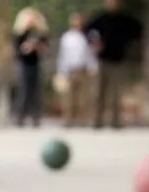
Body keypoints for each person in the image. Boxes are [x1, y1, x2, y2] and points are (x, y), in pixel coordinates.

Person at [84, 0, 142, 129]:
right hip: (103, 60)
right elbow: (87, 30)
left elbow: (137, 30)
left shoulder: (125, 19)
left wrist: (127, 46)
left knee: (116, 93)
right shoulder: (101, 18)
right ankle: (97, 121)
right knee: (99, 92)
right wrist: (94, 43)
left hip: (118, 61)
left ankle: (116, 121)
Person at [57, 13, 95, 127]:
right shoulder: (67, 37)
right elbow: (63, 54)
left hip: (83, 69)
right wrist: (62, 70)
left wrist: (92, 66)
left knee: (84, 96)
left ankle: (84, 119)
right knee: (69, 97)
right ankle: (68, 120)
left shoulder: (86, 36)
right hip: (70, 69)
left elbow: (90, 53)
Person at [12, 7, 49, 127]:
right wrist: (26, 48)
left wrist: (38, 47)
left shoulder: (39, 34)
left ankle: (36, 117)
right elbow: (17, 50)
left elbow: (45, 48)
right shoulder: (20, 34)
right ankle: (20, 116)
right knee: (24, 91)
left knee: (36, 91)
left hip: (35, 63)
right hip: (24, 63)